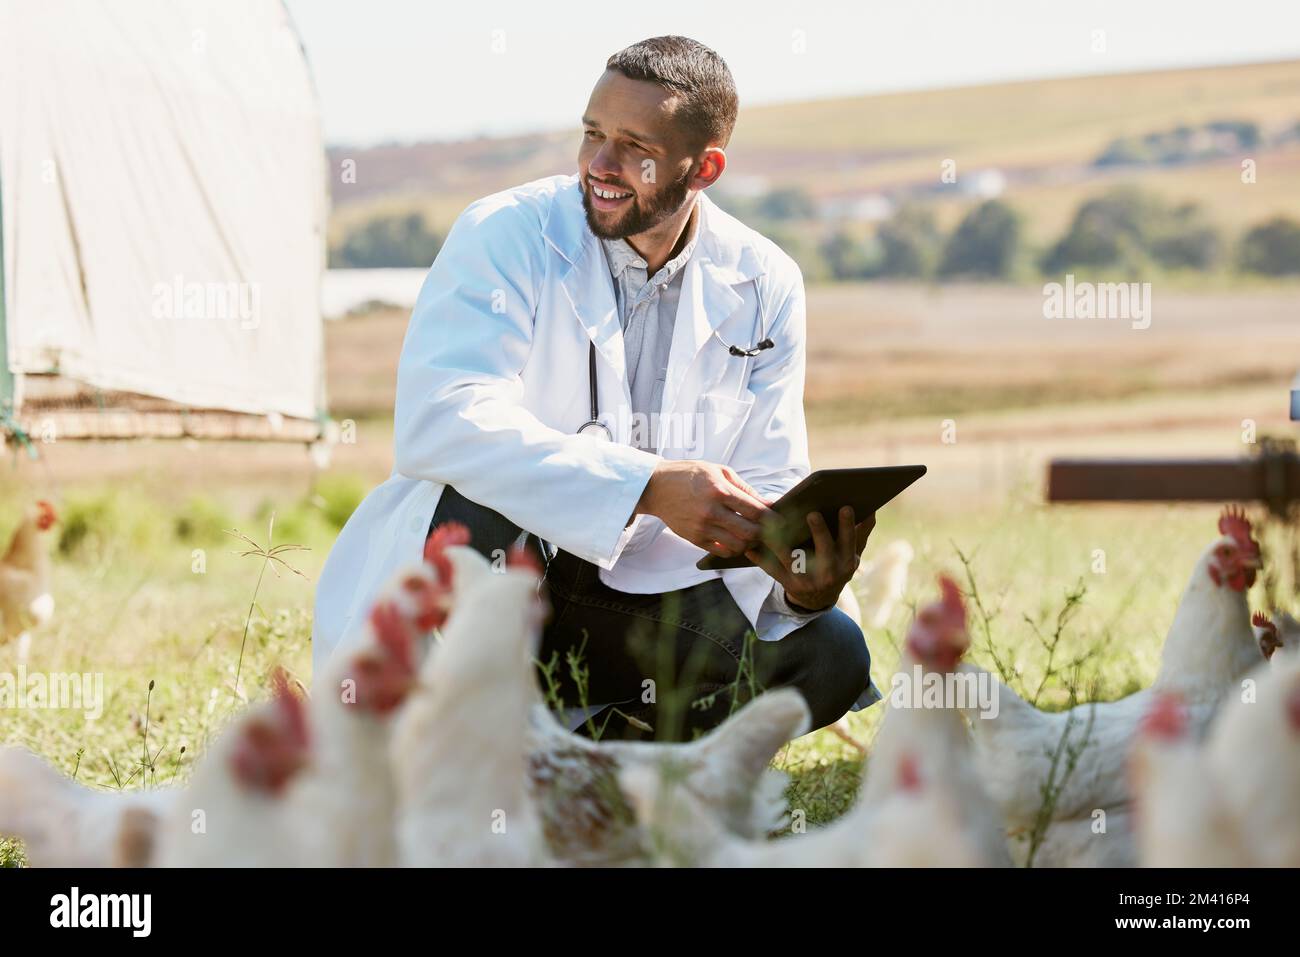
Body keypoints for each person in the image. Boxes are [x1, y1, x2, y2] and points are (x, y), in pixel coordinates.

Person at [313, 35, 881, 741]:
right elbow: (443, 418)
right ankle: (485, 758)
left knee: (830, 652)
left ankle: (623, 767)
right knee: (483, 513)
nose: (600, 165)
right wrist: (646, 485)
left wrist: (799, 585)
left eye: (633, 146)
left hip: (647, 602)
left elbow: (771, 477)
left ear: (703, 167)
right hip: (506, 584)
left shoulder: (765, 281)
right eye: (591, 134)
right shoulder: (506, 233)